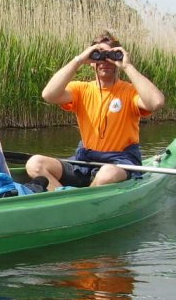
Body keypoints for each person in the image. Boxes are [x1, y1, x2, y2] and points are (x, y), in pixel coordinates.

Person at [25, 30, 165, 191]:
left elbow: (156, 102)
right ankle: (66, 199)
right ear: (91, 61)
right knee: (35, 163)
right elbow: (48, 95)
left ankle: (81, 202)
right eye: (99, 55)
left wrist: (127, 66)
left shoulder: (130, 91)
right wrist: (79, 60)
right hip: (85, 160)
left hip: (120, 161)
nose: (105, 61)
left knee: (106, 174)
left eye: (111, 56)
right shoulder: (81, 89)